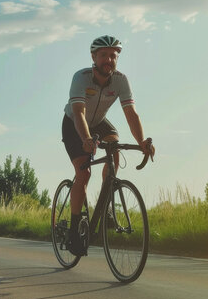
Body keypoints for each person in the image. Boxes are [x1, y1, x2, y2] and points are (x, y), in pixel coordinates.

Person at [61, 35, 155, 256]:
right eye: (103, 55)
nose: (109, 59)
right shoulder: (81, 77)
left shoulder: (121, 80)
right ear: (94, 57)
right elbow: (79, 112)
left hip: (99, 122)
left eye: (113, 55)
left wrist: (141, 141)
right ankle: (75, 230)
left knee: (114, 147)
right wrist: (85, 138)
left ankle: (106, 207)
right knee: (83, 175)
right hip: (75, 123)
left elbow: (131, 113)